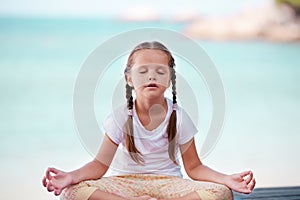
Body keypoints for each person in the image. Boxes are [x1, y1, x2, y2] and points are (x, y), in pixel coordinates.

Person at [42, 41, 256, 200]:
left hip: (169, 185)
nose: (151, 76)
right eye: (142, 71)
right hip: (123, 184)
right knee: (72, 193)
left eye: (160, 71)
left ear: (170, 79)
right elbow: (99, 165)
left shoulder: (178, 117)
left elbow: (195, 168)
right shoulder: (120, 117)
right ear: (129, 78)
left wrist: (226, 179)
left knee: (221, 193)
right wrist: (70, 176)